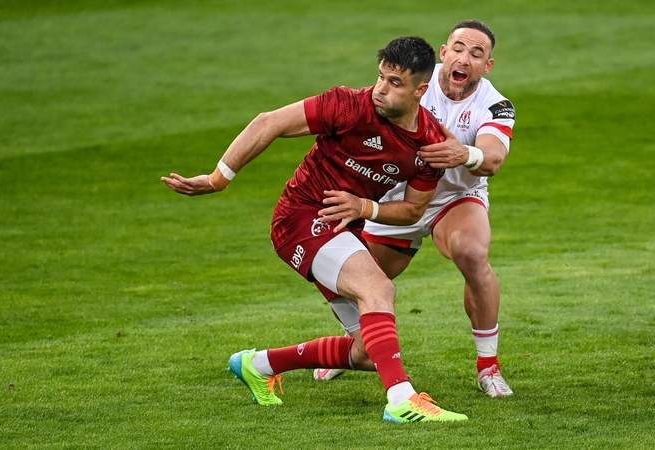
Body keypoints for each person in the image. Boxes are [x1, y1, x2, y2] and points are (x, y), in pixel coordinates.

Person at [162, 36, 468, 423]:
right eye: (380, 77)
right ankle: (402, 401)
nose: (381, 89)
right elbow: (268, 122)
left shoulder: (431, 143)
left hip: (342, 229)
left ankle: (258, 365)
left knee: (368, 352)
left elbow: (412, 211)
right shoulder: (348, 105)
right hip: (300, 218)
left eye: (395, 83)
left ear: (420, 90)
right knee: (379, 289)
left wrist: (365, 207)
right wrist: (217, 179)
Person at [312, 20, 516, 398]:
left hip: (453, 199)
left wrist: (465, 153)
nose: (464, 58)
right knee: (342, 276)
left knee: (472, 253)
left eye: (476, 53)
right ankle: (354, 345)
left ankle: (488, 366)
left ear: (488, 65)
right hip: (396, 201)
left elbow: (492, 158)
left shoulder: (495, 104)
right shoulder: (413, 79)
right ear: (443, 52)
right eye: (458, 48)